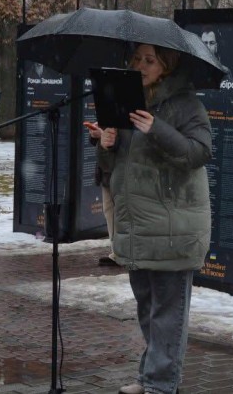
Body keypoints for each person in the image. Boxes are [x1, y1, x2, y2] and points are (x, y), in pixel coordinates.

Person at [98, 43, 212, 394]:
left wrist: (158, 129)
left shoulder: (186, 104)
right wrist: (107, 144)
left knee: (168, 313)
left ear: (167, 64)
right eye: (136, 60)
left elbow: (200, 152)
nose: (141, 66)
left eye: (150, 61)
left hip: (172, 225)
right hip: (137, 226)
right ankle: (150, 377)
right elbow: (110, 171)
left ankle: (162, 385)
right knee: (148, 308)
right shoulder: (125, 101)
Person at [85, 124, 119, 267]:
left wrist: (109, 138)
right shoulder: (106, 109)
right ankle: (117, 253)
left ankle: (125, 253)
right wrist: (94, 135)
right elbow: (95, 141)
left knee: (123, 214)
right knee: (109, 212)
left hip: (121, 170)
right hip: (106, 172)